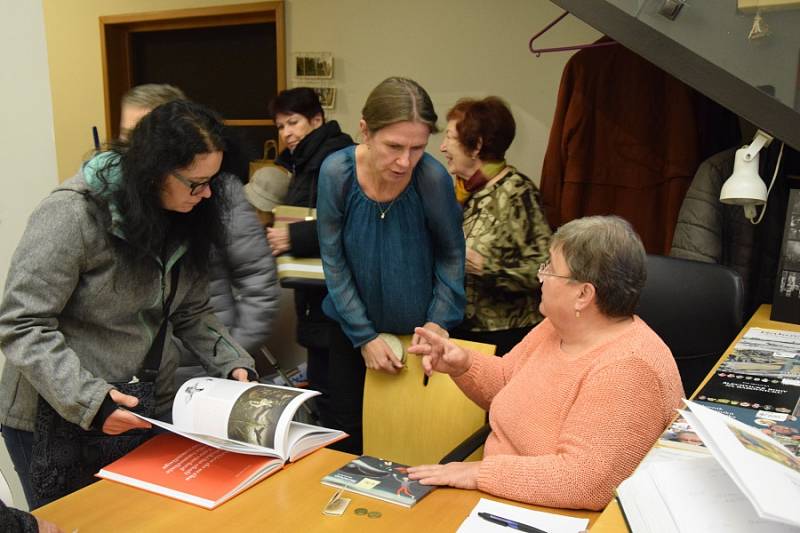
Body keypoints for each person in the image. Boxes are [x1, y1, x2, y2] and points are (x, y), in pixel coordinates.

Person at [0, 100, 258, 508]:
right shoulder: (71, 214)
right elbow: (22, 323)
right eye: (196, 182)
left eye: (213, 181)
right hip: (55, 414)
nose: (207, 194)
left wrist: (232, 362)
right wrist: (92, 401)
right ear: (155, 173)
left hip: (136, 407)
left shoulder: (184, 214)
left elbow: (190, 310)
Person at [406, 216, 683, 510]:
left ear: (583, 294)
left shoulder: (629, 368)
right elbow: (506, 384)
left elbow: (584, 482)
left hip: (553, 514)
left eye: (550, 268)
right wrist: (463, 365)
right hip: (503, 497)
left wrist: (480, 472)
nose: (541, 276)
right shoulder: (556, 327)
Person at [317, 77, 466, 454]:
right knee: (346, 435)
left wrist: (437, 323)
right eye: (394, 146)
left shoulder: (431, 178)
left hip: (418, 340)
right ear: (365, 130)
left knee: (413, 441)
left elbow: (451, 253)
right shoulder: (337, 173)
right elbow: (333, 259)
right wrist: (364, 336)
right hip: (350, 334)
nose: (405, 162)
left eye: (418, 147)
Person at [119, 84, 280, 379]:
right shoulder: (117, 203)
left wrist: (230, 354)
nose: (134, 151)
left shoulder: (215, 194)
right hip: (142, 370)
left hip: (203, 362)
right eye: (127, 136)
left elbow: (258, 281)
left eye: (144, 136)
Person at [265, 88, 354, 425]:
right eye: (280, 125)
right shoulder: (305, 161)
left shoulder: (335, 160)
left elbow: (347, 223)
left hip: (334, 298)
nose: (286, 133)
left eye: (293, 122)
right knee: (322, 391)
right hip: (315, 296)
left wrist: (293, 236)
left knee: (336, 400)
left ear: (317, 120)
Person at [440, 97, 552, 355]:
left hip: (503, 338)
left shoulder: (517, 193)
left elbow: (547, 272)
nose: (443, 147)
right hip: (458, 329)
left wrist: (486, 268)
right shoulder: (457, 192)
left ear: (476, 145)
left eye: (449, 138)